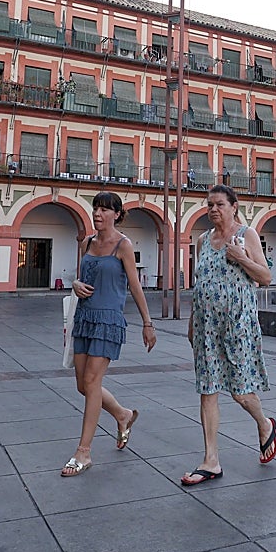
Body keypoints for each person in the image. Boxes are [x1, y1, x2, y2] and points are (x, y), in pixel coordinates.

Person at [181, 184, 276, 486]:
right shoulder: (202, 240)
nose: (213, 209)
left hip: (238, 325)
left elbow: (265, 277)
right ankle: (211, 460)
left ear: (234, 206)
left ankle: (264, 424)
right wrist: (193, 321)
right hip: (206, 327)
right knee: (207, 390)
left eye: (219, 204)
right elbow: (200, 282)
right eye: (209, 204)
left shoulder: (247, 235)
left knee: (241, 392)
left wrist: (241, 258)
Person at [62, 192, 156, 476]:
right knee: (83, 385)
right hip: (84, 318)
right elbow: (82, 277)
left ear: (117, 214)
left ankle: (84, 452)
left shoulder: (123, 245)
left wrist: (147, 323)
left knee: (92, 382)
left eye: (104, 209)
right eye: (96, 208)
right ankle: (123, 414)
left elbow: (134, 286)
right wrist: (75, 283)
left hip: (108, 321)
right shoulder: (87, 243)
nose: (98, 214)